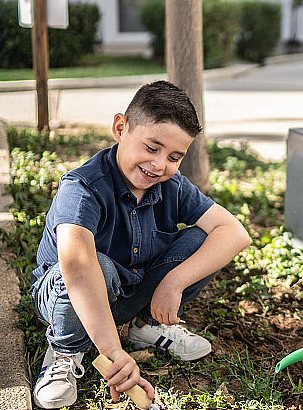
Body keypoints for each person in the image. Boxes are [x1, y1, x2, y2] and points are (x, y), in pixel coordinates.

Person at [30, 80, 251, 409]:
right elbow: (77, 268)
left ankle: (144, 326)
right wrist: (114, 355)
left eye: (174, 156)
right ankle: (65, 351)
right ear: (121, 128)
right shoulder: (83, 187)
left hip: (128, 291)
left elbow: (235, 232)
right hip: (68, 296)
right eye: (152, 147)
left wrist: (173, 282)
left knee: (205, 237)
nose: (160, 164)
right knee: (97, 266)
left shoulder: (172, 185)